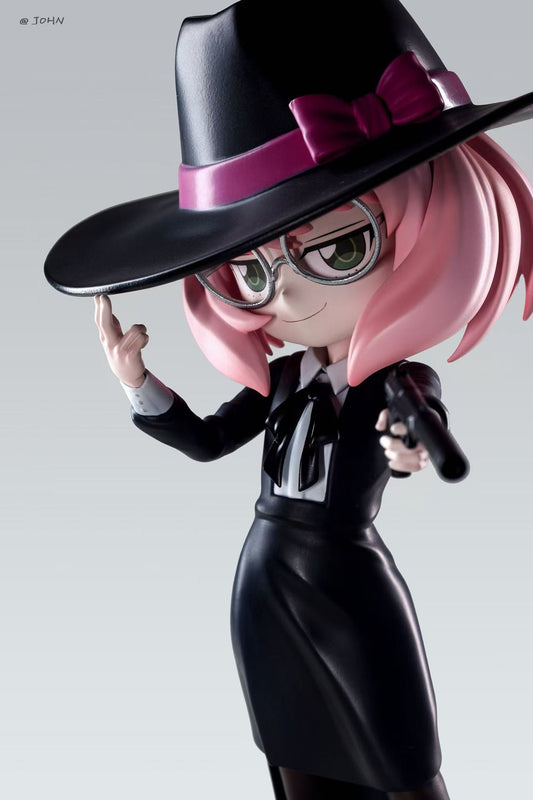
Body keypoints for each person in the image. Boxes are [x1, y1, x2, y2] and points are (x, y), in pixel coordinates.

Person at [44, 1, 533, 797]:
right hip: (263, 579)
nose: (286, 294)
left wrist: (405, 447)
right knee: (291, 753)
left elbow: (412, 418)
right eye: (250, 271)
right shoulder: (281, 379)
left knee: (399, 753)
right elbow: (207, 440)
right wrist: (137, 380)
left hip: (346, 580)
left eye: (338, 247)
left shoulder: (393, 383)